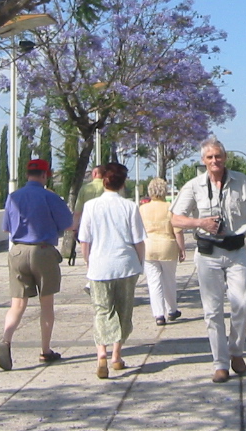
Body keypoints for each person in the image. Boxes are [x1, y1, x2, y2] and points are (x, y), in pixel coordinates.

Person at [171, 136, 246, 384]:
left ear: (225, 158)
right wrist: (200, 222)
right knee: (212, 311)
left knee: (242, 304)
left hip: (236, 251)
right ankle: (220, 363)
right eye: (210, 157)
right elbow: (175, 219)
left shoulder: (241, 181)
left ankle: (236, 351)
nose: (214, 161)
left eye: (218, 156)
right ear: (203, 160)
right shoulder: (193, 186)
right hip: (208, 253)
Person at [0, 158, 73, 371]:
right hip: (43, 250)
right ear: (45, 175)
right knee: (46, 304)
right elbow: (68, 224)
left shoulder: (13, 197)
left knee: (17, 304)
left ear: (27, 175)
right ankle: (45, 350)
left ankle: (6, 339)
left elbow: (6, 228)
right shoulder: (50, 197)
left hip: (18, 250)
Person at [79, 162, 147, 379]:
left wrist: (88, 262)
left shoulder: (91, 206)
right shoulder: (129, 207)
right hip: (126, 265)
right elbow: (139, 240)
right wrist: (141, 263)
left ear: (103, 181)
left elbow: (85, 240)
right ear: (122, 183)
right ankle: (117, 356)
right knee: (123, 310)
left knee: (102, 310)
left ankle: (101, 354)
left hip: (99, 266)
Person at [139, 178, 186, 326]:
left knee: (154, 282)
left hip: (149, 247)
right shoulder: (170, 207)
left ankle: (159, 314)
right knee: (169, 280)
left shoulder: (142, 208)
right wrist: (181, 248)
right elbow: (177, 231)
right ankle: (172, 309)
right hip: (167, 245)